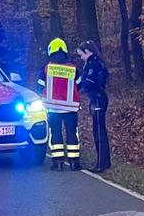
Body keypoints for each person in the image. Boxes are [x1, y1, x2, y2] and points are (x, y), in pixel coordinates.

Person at [38, 36, 81, 171]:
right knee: (72, 133)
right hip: (71, 109)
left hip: (53, 108)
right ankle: (74, 163)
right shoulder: (73, 68)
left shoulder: (46, 69)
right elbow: (79, 85)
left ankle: (58, 162)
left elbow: (40, 86)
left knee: (55, 134)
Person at [77, 40, 111, 172]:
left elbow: (90, 83)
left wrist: (78, 83)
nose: (81, 58)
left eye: (81, 55)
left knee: (99, 131)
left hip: (97, 99)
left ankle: (102, 164)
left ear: (88, 51)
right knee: (98, 130)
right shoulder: (94, 63)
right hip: (97, 98)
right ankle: (104, 161)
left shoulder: (93, 65)